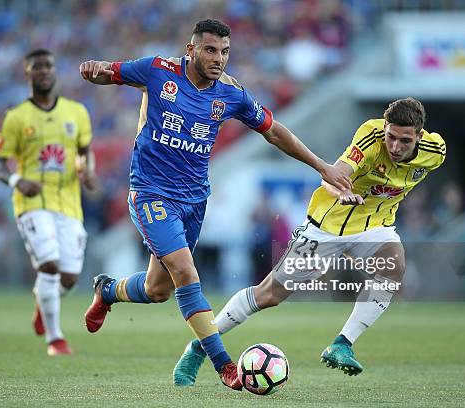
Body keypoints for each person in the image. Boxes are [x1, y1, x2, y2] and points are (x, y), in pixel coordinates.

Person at [78, 19, 351, 390]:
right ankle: (225, 366)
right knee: (187, 273)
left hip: (194, 200)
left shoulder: (231, 94)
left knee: (160, 290)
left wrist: (322, 166)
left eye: (224, 52)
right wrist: (95, 71)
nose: (218, 58)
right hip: (151, 193)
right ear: (191, 49)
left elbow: (273, 131)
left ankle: (107, 290)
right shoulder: (158, 71)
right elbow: (110, 72)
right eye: (210, 50)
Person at [172, 97, 446, 384]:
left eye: (404, 140)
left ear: (419, 135)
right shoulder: (371, 134)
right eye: (391, 137)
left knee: (394, 265)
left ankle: (342, 343)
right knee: (269, 295)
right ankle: (200, 346)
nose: (395, 147)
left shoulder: (436, 152)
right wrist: (339, 190)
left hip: (375, 227)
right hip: (325, 226)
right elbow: (333, 174)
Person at [0, 49, 97, 356]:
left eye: (48, 66)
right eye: (37, 67)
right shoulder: (16, 117)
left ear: (55, 70)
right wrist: (16, 181)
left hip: (69, 204)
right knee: (49, 264)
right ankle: (55, 340)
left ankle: (43, 300)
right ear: (28, 73)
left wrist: (87, 171)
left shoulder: (77, 112)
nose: (44, 71)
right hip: (31, 203)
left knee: (70, 277)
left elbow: (85, 150)